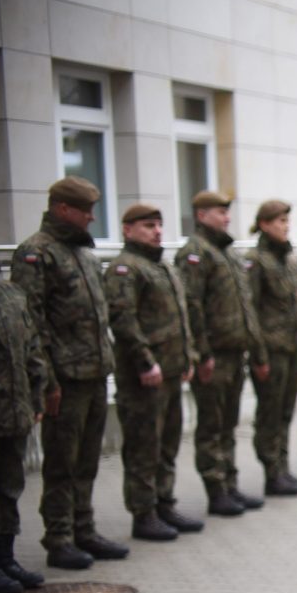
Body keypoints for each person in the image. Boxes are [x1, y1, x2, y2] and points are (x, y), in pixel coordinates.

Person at [11, 176, 128, 570]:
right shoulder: (36, 253)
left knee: (88, 459)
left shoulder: (84, 254)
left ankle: (84, 528)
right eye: (85, 210)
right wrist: (46, 381)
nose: (92, 218)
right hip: (64, 377)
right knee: (62, 461)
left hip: (94, 372)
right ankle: (59, 537)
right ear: (62, 208)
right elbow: (32, 322)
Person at [106, 204, 199, 541]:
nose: (157, 231)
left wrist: (187, 357)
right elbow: (123, 320)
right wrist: (145, 362)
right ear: (127, 229)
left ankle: (163, 503)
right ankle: (143, 513)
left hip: (171, 371)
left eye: (159, 225)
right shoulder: (125, 268)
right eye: (148, 225)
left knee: (167, 443)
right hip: (144, 376)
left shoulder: (161, 266)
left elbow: (179, 319)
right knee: (143, 447)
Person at [178, 189, 267, 516]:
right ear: (201, 215)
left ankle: (230, 483)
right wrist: (202, 354)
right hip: (213, 356)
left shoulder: (226, 252)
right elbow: (192, 306)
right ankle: (215, 489)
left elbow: (246, 308)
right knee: (211, 426)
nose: (227, 218)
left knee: (228, 424)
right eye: (220, 212)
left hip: (234, 353)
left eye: (227, 212)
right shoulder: (195, 253)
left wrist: (255, 351)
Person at [0, 214, 48, 593]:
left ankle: (6, 558)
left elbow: (31, 348)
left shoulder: (10, 294)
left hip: (15, 408)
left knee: (10, 487)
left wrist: (37, 394)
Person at [246, 200, 297, 497]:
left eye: (287, 220)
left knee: (285, 411)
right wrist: (258, 355)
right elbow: (250, 311)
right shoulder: (256, 261)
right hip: (272, 351)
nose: (286, 226)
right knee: (270, 413)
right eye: (279, 221)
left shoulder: (287, 260)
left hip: (292, 349)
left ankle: (282, 468)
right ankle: (272, 471)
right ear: (264, 224)